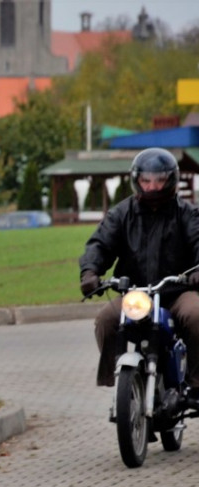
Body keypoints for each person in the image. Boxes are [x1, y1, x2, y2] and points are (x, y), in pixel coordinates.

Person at [79, 148, 199, 389]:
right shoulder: (121, 213)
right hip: (136, 294)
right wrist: (90, 272)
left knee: (197, 316)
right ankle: (120, 382)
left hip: (176, 292)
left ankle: (196, 382)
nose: (152, 187)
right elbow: (100, 243)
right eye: (146, 180)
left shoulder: (187, 213)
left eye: (159, 180)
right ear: (137, 180)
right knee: (106, 320)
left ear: (171, 180)